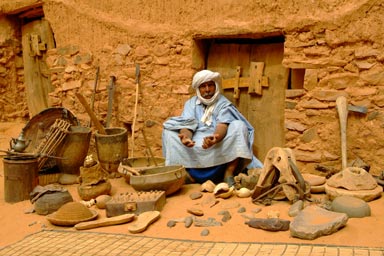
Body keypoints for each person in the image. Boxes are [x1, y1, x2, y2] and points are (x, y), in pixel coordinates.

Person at [162, 70, 263, 187]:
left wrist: (215, 137)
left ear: (215, 86)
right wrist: (186, 138)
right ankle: (188, 175)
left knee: (239, 126)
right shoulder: (190, 104)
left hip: (217, 140)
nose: (207, 90)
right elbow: (187, 125)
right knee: (169, 132)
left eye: (210, 85)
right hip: (195, 139)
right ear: (198, 89)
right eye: (203, 86)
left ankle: (228, 173)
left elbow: (222, 125)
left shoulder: (223, 103)